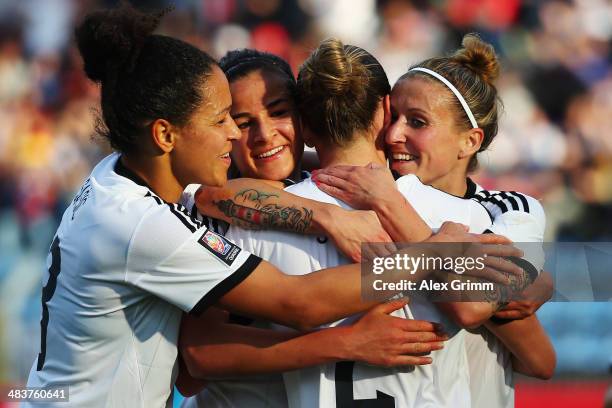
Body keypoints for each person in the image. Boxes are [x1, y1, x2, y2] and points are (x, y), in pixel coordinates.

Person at [24, 6, 519, 408]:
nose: (239, 135)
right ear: (165, 135)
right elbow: (286, 307)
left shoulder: (128, 178)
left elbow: (536, 343)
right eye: (226, 119)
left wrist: (331, 203)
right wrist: (435, 254)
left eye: (279, 112)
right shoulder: (160, 220)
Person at [182, 38, 536, 408]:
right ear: (385, 111)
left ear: (306, 125)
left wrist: (535, 279)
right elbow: (513, 338)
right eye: (243, 121)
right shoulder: (462, 216)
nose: (265, 133)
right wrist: (433, 251)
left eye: (278, 112)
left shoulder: (241, 224)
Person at [313, 34, 556, 407]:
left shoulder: (509, 209)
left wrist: (391, 206)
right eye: (393, 117)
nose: (394, 134)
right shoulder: (365, 188)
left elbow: (479, 312)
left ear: (469, 142)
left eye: (417, 122)